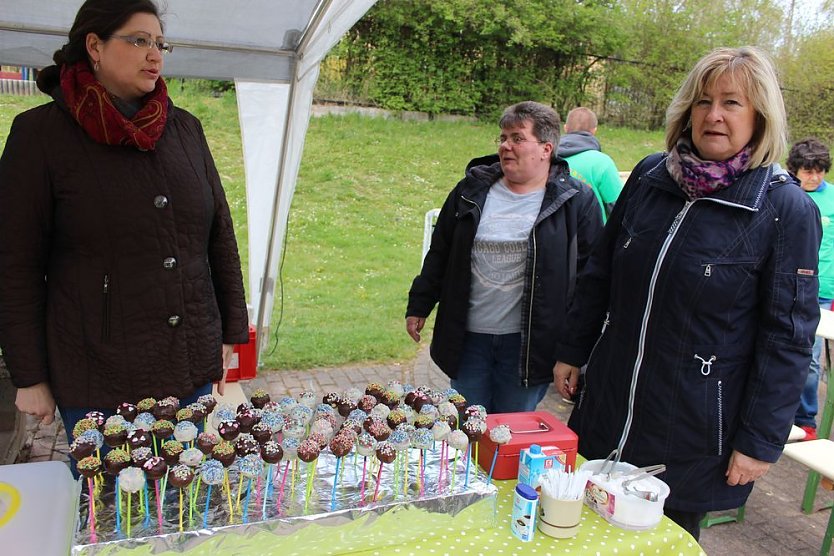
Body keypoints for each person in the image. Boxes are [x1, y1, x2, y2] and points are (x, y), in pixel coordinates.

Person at [553, 47, 821, 541]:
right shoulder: (652, 177)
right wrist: (573, 348)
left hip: (693, 427)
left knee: (661, 543)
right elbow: (600, 275)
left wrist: (759, 441)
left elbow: (787, 337)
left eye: (731, 103)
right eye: (702, 101)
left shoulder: (783, 208)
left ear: (760, 116)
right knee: (580, 532)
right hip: (610, 402)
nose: (713, 115)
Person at [0, 0, 249, 456]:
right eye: (138, 41)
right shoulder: (39, 135)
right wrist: (30, 375)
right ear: (94, 46)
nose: (154, 55)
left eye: (160, 43)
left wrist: (232, 329)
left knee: (183, 504)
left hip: (188, 360)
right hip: (98, 371)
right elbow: (14, 265)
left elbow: (219, 235)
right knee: (112, 511)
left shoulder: (185, 129)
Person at [406, 101, 603, 413]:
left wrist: (574, 351)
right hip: (468, 339)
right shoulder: (470, 190)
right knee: (468, 427)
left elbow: (590, 282)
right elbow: (441, 250)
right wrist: (420, 303)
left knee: (511, 433)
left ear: (546, 148)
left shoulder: (576, 201)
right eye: (502, 138)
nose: (505, 146)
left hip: (529, 347)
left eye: (517, 138)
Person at [787, 138, 833, 441]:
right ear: (795, 169)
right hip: (789, 286)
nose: (814, 177)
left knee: (811, 358)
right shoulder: (785, 195)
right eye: (807, 170)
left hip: (822, 291)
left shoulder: (832, 198)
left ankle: (806, 420)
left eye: (819, 171)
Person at [558, 107, 623, 223]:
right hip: (592, 237)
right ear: (594, 131)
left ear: (565, 128)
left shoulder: (546, 158)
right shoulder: (602, 162)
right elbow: (618, 208)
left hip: (553, 235)